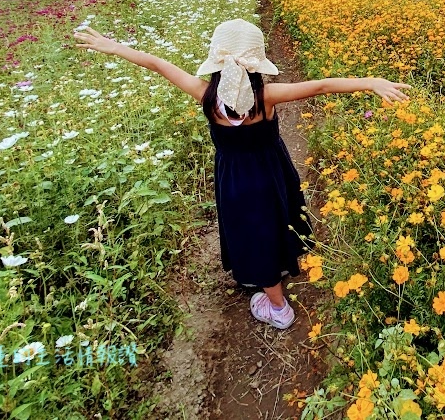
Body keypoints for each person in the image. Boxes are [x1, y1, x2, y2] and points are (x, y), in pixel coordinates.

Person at [73, 18, 410, 329]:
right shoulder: (266, 97)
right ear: (256, 65)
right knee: (278, 218)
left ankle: (278, 308)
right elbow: (321, 86)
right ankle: (279, 282)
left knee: (252, 233)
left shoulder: (205, 95)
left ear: (218, 66)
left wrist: (115, 47)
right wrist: (370, 82)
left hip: (236, 179)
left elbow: (159, 65)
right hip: (271, 170)